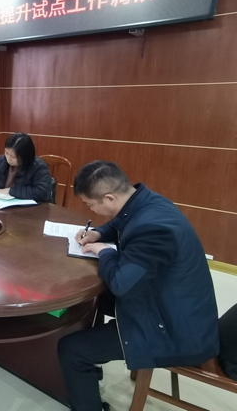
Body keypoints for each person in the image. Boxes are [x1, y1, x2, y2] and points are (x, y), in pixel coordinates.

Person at [58, 161, 219, 411]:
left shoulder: (153, 230)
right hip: (170, 303)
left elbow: (122, 284)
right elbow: (121, 221)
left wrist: (103, 252)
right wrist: (98, 233)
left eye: (90, 205)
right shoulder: (147, 202)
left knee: (71, 349)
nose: (91, 210)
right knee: (96, 300)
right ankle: (93, 369)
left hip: (175, 328)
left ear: (109, 198)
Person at [0, 133, 52, 202]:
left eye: (13, 157)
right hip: (0, 204)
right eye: (6, 153)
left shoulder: (38, 166)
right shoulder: (0, 160)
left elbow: (42, 193)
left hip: (27, 208)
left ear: (25, 156)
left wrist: (10, 191)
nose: (8, 158)